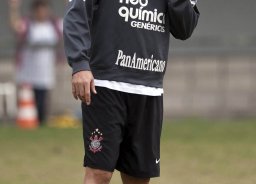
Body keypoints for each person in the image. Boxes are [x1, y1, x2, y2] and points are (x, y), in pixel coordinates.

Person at [63, 0, 199, 183]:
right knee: (99, 173)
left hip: (150, 88)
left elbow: (184, 28)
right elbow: (77, 11)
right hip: (105, 83)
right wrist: (79, 64)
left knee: (138, 177)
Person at [9, 0, 63, 125]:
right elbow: (15, 26)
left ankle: (42, 122)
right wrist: (14, 8)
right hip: (28, 71)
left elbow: (71, 23)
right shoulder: (28, 24)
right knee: (27, 101)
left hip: (46, 71)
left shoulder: (54, 25)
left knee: (42, 101)